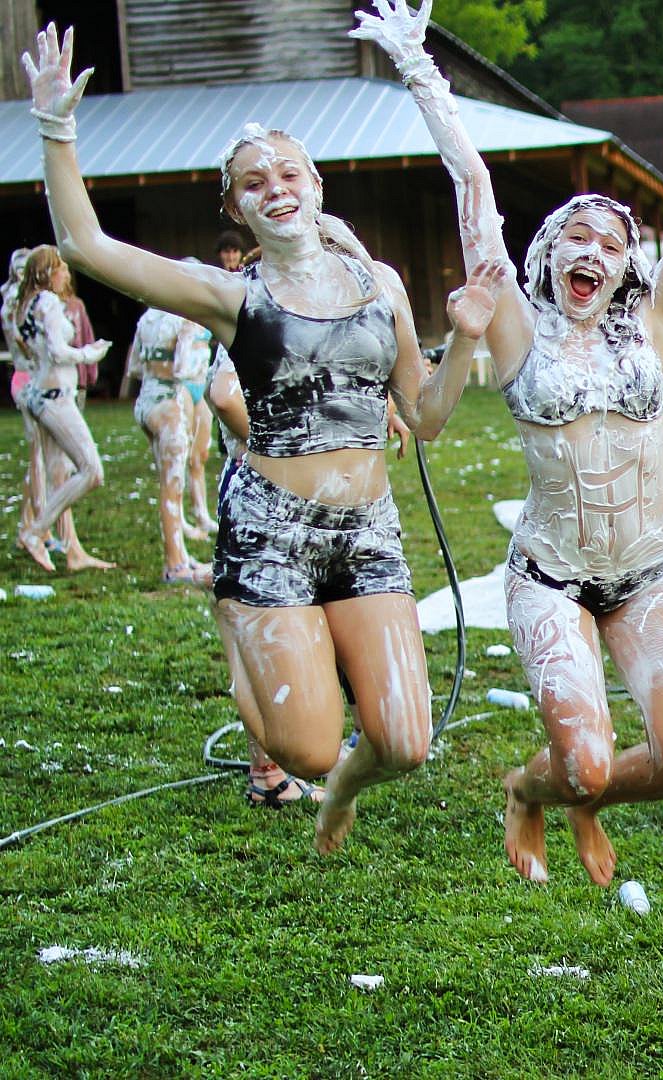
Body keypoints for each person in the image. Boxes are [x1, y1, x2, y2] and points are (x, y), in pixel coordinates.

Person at [354, 0, 663, 884]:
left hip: (650, 569)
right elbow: (474, 191)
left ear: (626, 267)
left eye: (611, 243)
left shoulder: (655, 327)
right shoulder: (513, 329)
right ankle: (532, 791)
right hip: (552, 574)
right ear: (549, 253)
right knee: (580, 760)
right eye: (577, 235)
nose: (594, 250)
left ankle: (582, 795)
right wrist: (423, 75)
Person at [27, 21, 493, 852]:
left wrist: (460, 337)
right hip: (272, 529)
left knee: (406, 744)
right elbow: (85, 245)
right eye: (253, 183)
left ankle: (338, 795)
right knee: (305, 746)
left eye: (287, 173)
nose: (273, 188)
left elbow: (424, 418)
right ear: (237, 206)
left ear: (315, 184)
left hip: (368, 530)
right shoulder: (233, 296)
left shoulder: (378, 281)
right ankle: (241, 624)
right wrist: (58, 129)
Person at [206, 345, 326, 807]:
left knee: (276, 627)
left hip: (276, 485)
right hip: (264, 488)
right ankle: (268, 773)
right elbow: (224, 395)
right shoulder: (258, 308)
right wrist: (284, 450)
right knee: (264, 630)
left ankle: (272, 768)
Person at [10, 245, 113, 572]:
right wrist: (89, 354)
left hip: (39, 392)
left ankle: (72, 550)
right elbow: (56, 350)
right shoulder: (49, 302)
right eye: (63, 268)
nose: (67, 274)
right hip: (56, 396)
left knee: (59, 474)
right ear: (48, 272)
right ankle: (37, 530)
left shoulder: (24, 305)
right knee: (91, 470)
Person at [123, 300, 215, 584]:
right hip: (169, 405)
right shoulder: (182, 318)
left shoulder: (147, 318)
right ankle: (174, 564)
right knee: (172, 488)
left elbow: (135, 367)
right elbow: (182, 369)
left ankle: (181, 555)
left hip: (146, 400)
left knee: (168, 485)